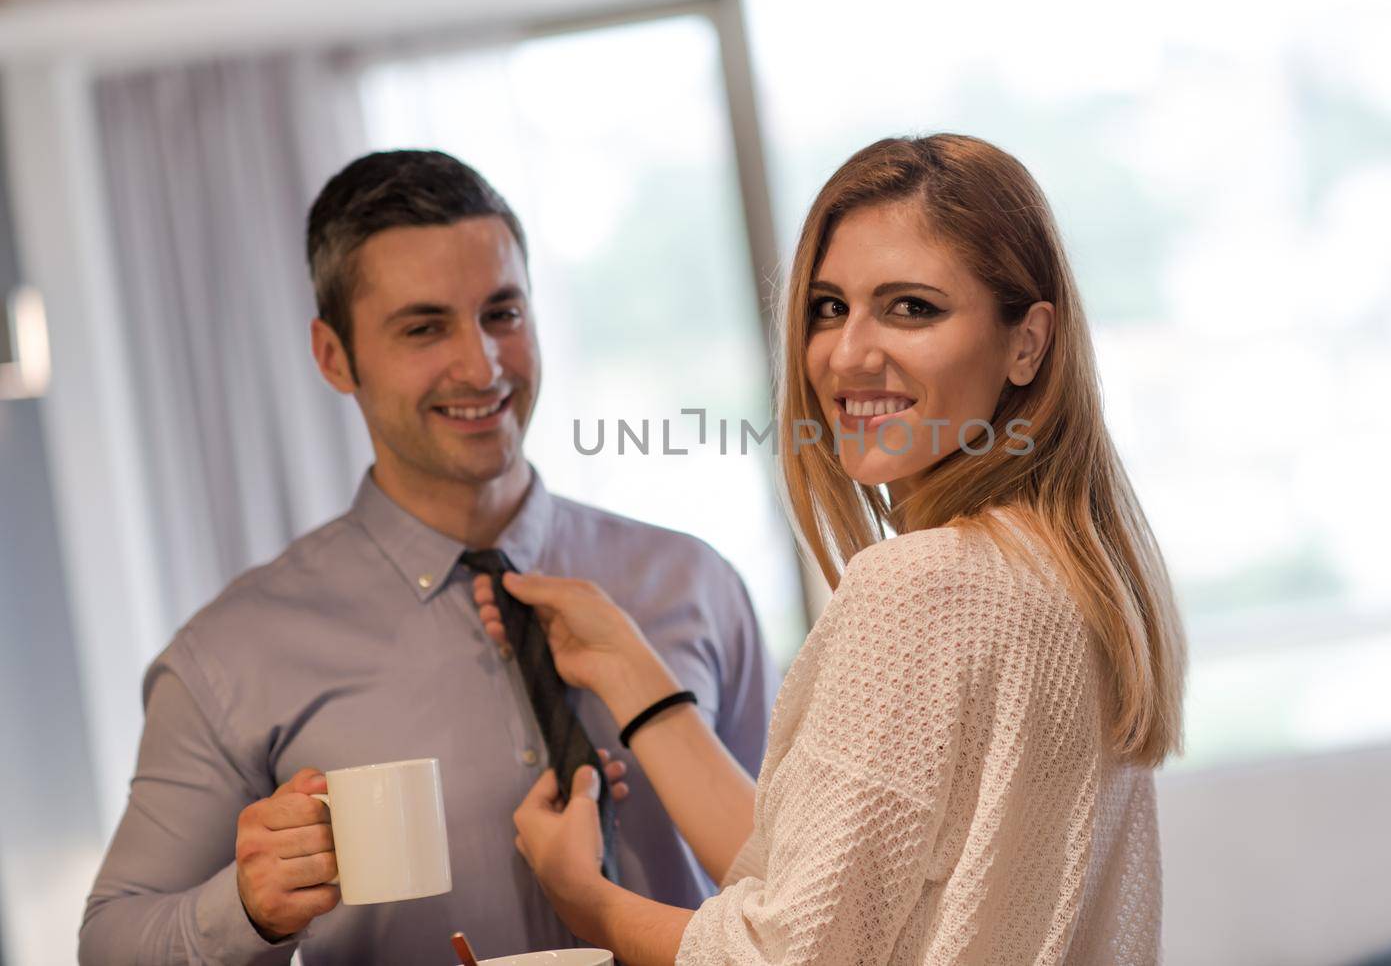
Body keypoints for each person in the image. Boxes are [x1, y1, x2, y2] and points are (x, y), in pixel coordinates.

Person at [476, 134, 1189, 964]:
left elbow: (786, 955)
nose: (847, 354)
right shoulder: (1059, 572)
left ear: (1028, 342)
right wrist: (631, 675)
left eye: (911, 307)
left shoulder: (927, 585)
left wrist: (586, 901)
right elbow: (830, 891)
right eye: (827, 308)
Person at [79, 150, 777, 966]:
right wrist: (245, 908)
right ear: (334, 357)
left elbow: (793, 883)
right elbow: (111, 944)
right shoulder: (228, 657)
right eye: (424, 327)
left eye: (502, 313)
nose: (481, 365)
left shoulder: (693, 584)